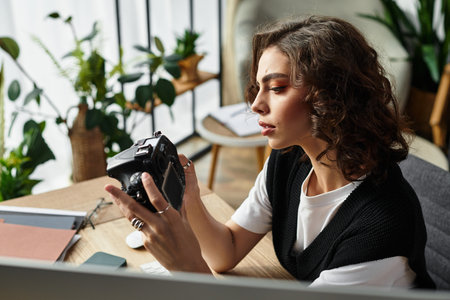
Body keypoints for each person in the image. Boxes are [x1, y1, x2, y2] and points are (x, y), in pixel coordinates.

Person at [105, 15, 435, 289]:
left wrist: (186, 266)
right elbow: (226, 250)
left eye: (276, 88)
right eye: (260, 87)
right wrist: (190, 200)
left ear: (328, 95)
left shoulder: (380, 229)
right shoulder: (290, 159)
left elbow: (207, 264)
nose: (256, 104)